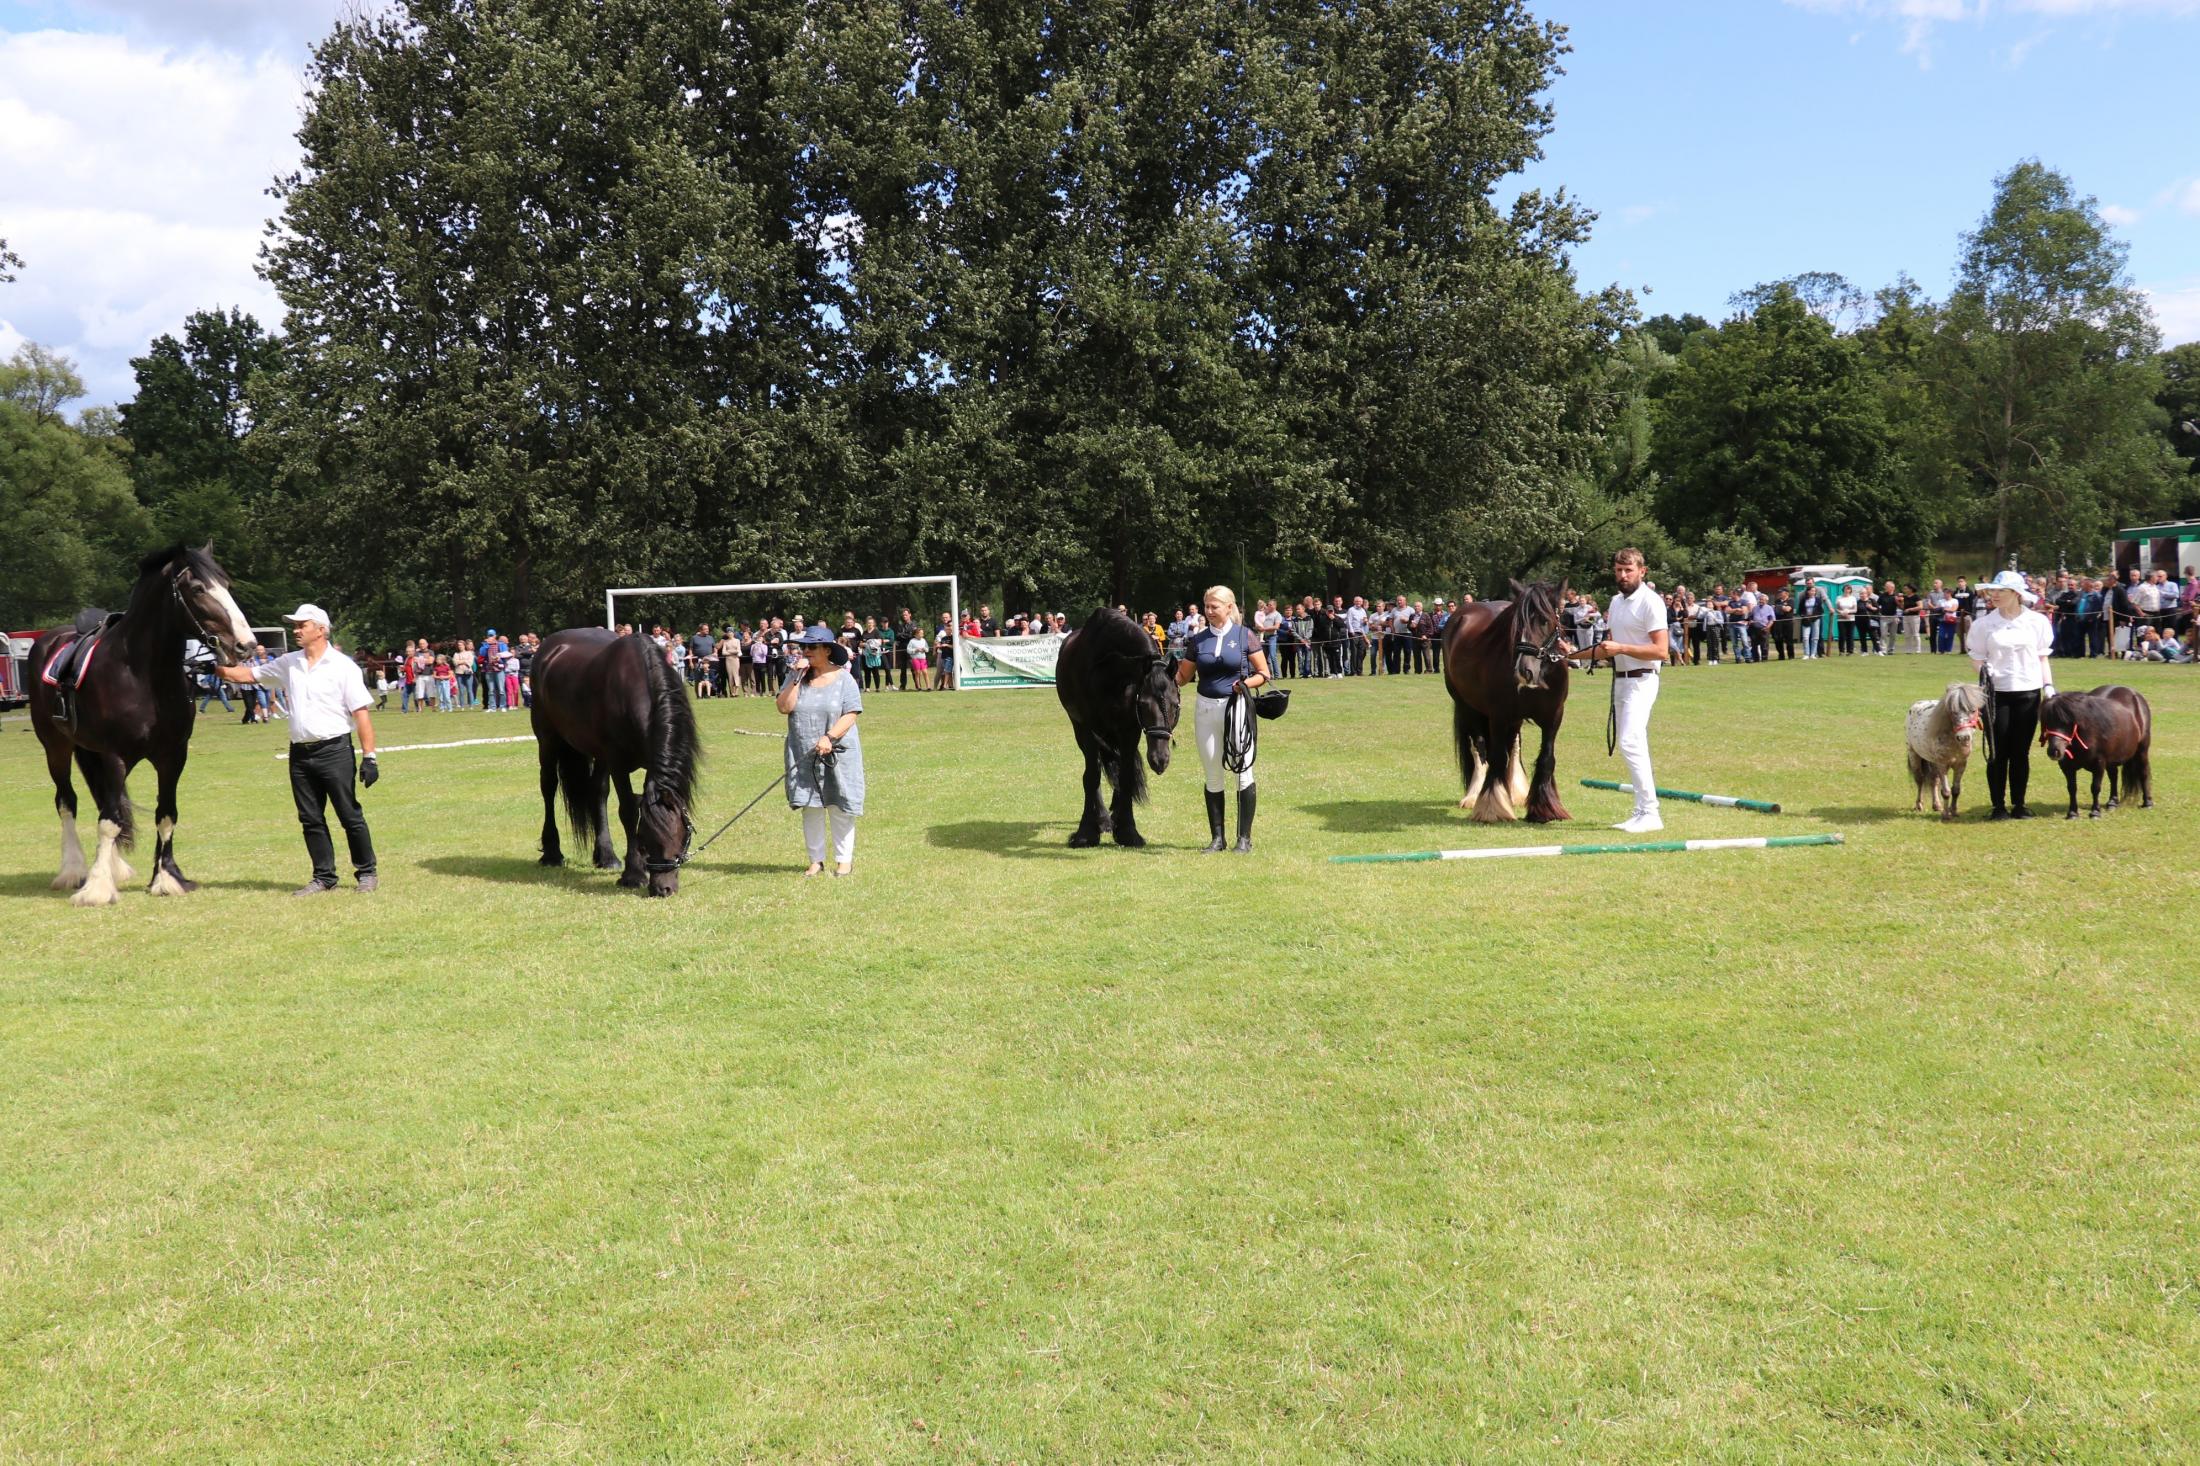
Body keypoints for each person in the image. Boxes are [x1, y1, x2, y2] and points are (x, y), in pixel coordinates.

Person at [212, 604, 381, 894]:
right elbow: (246, 676)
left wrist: (370, 758)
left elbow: (361, 714)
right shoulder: (289, 662)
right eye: (295, 625)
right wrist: (213, 668)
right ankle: (324, 877)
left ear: (321, 630)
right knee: (310, 818)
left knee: (349, 814)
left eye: (302, 625)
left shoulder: (343, 667)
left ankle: (366, 872)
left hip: (335, 750)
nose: (296, 630)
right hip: (300, 754)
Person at [1563, 548, 1669, 833]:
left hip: (1643, 679)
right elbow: (1606, 649)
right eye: (1619, 570)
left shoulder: (1651, 602)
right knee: (1631, 742)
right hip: (1621, 679)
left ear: (1642, 571)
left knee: (1630, 741)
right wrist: (1571, 655)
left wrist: (1621, 647)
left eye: (1628, 570)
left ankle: (1650, 812)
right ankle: (1642, 811)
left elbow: (1661, 651)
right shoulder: (1616, 602)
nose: (1623, 575)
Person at [1174, 585, 1271, 853]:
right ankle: (1217, 839)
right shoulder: (1198, 640)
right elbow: (1182, 677)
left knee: (1242, 771)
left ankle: (1244, 839)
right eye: (1206, 606)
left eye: (1214, 606)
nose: (1209, 611)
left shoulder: (1244, 635)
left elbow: (1264, 673)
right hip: (1205, 710)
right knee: (1212, 773)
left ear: (1229, 608)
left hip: (1236, 707)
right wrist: (1163, 674)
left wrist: (1245, 684)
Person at [777, 624, 865, 876]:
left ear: (827, 650)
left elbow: (851, 714)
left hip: (838, 752)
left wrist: (829, 737)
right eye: (804, 647)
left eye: (812, 647)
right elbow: (784, 707)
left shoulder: (844, 679)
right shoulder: (796, 676)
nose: (806, 651)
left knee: (839, 805)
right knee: (811, 805)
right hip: (803, 752)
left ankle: (844, 861)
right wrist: (796, 678)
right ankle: (816, 860)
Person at [1967, 569, 2054, 821]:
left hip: (2028, 692)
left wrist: (2048, 686)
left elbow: (2042, 657)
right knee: (1997, 752)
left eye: (2000, 591)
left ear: (2016, 594)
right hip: (1997, 695)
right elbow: (1976, 657)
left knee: (2020, 752)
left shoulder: (2037, 622)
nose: (1993, 595)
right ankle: (1998, 806)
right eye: (1991, 591)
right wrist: (1986, 674)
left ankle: (2019, 804)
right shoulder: (1983, 624)